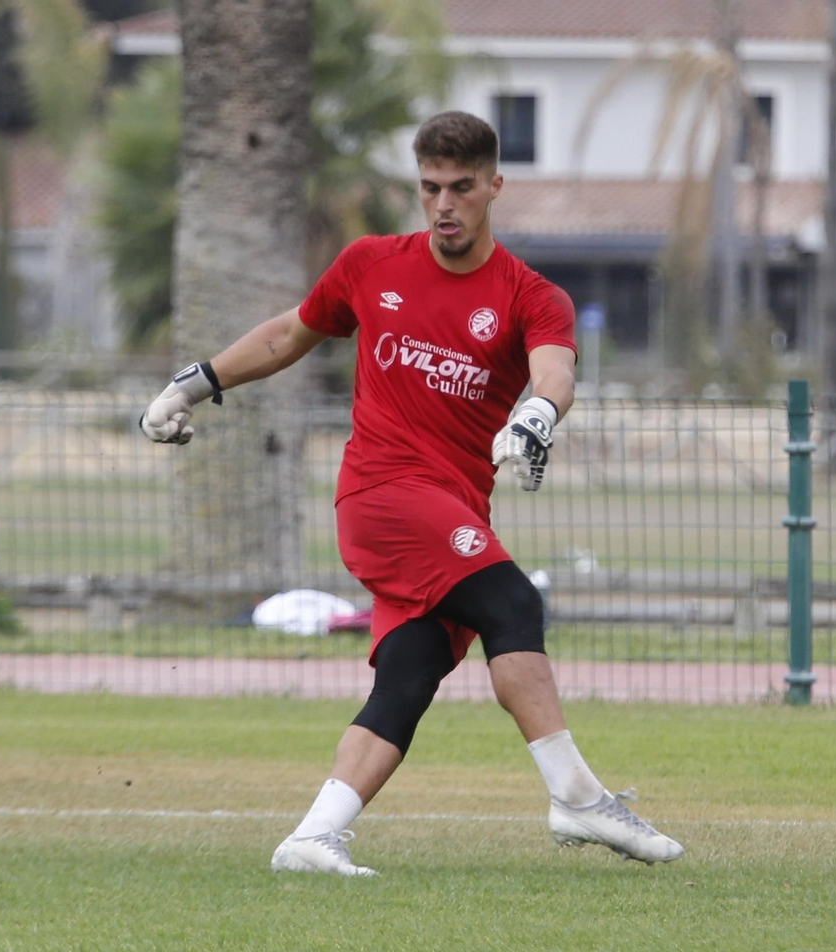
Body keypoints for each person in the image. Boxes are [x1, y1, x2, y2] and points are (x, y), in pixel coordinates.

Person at [139, 111, 684, 876]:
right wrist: (193, 384)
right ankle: (578, 798)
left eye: (463, 187)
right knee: (514, 605)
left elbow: (556, 370)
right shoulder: (370, 264)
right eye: (431, 188)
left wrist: (535, 413)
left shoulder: (531, 295)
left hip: (451, 513)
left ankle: (311, 837)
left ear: (496, 185)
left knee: (411, 672)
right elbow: (287, 335)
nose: (445, 205)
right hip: (383, 495)